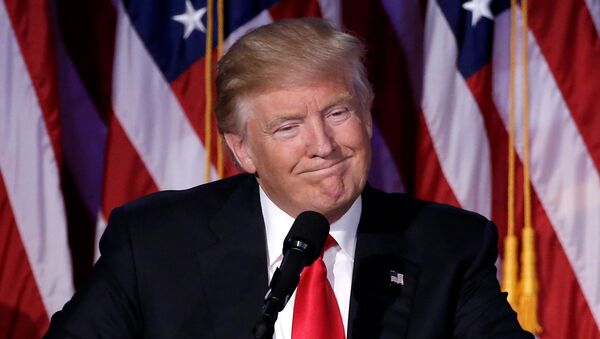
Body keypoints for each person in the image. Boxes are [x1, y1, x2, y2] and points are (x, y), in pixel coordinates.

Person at [45, 18, 532, 338]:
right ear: (242, 149)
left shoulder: (449, 245)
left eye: (338, 112)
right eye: (288, 127)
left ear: (366, 115)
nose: (323, 144)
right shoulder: (154, 242)